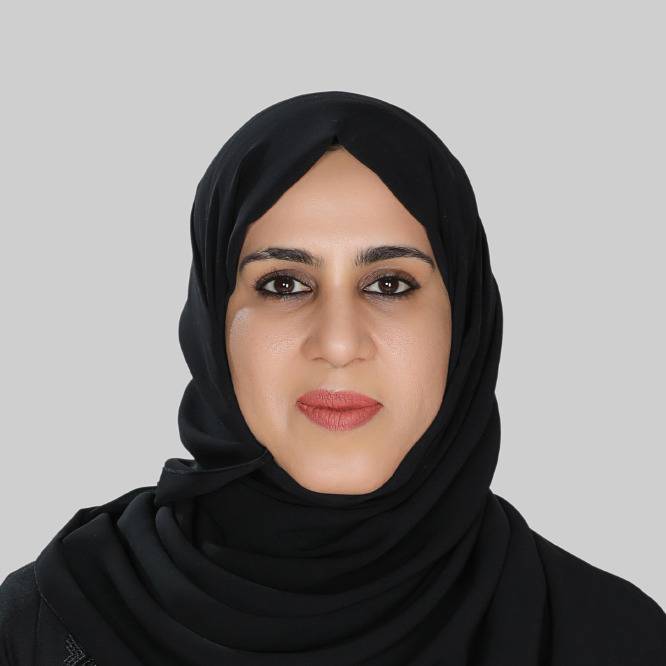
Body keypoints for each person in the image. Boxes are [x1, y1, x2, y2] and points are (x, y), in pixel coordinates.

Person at [1, 90, 664, 665]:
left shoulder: (611, 639)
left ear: (464, 322)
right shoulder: (41, 630)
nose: (339, 344)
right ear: (212, 320)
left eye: (390, 283)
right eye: (284, 284)